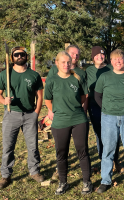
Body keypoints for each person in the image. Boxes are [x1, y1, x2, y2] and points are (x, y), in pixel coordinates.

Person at [94, 49, 124, 193]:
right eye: (115, 59)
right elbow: (97, 96)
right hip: (108, 118)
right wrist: (106, 108)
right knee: (108, 150)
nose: (118, 62)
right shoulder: (104, 77)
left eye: (120, 59)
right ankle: (105, 180)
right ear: (111, 61)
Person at [0, 46, 44, 189]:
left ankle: (34, 171)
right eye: (16, 54)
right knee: (8, 147)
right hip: (11, 115)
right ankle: (5, 175)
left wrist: (36, 113)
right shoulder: (5, 74)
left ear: (26, 56)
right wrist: (4, 101)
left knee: (33, 146)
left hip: (30, 115)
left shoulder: (34, 75)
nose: (19, 56)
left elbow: (40, 96)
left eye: (22, 54)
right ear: (12, 57)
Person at [44, 51, 92, 195]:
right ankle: (63, 182)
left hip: (79, 120)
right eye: (63, 62)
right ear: (57, 63)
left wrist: (72, 108)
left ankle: (86, 182)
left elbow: (84, 97)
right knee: (61, 153)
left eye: (68, 62)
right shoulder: (51, 80)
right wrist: (59, 110)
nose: (66, 65)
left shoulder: (77, 78)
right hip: (60, 122)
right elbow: (48, 100)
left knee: (82, 151)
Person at [85, 46, 124, 172]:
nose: (100, 57)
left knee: (114, 133)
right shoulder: (88, 71)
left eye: (102, 55)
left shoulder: (110, 68)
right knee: (100, 133)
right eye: (97, 55)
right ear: (93, 57)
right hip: (94, 105)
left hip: (110, 104)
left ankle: (115, 161)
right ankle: (104, 161)